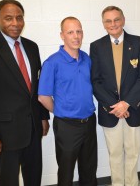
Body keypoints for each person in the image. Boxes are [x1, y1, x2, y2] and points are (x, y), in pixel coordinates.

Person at [0, 0, 50, 186]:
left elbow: (37, 87)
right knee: (8, 180)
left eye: (19, 18)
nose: (15, 23)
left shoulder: (32, 46)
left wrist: (43, 116)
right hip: (6, 133)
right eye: (8, 18)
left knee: (34, 176)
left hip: (33, 128)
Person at [90, 6, 140, 186]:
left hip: (134, 108)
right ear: (103, 24)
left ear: (123, 20)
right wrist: (115, 106)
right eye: (108, 21)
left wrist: (126, 103)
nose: (113, 24)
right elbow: (95, 81)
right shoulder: (96, 46)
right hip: (110, 111)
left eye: (116, 19)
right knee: (115, 154)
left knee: (133, 153)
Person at [38, 16, 97, 186]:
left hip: (89, 122)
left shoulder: (87, 59)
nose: (75, 36)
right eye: (70, 32)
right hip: (67, 126)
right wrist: (61, 111)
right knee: (66, 171)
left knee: (89, 168)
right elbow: (43, 97)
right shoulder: (52, 62)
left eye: (78, 31)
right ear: (62, 35)